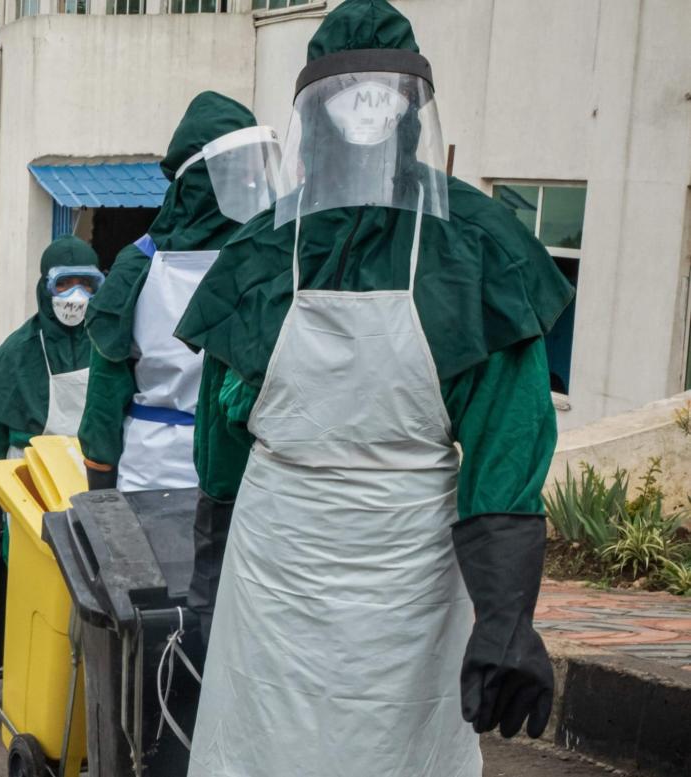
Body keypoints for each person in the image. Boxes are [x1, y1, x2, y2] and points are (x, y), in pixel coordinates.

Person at [176, 2, 574, 774]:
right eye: (346, 94)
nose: (365, 111)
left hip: (412, 574)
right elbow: (219, 446)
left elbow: (509, 436)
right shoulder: (263, 251)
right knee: (264, 747)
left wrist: (506, 614)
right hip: (275, 570)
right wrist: (209, 575)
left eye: (381, 94)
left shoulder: (472, 247)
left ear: (412, 106)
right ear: (314, 108)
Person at [77, 92, 278, 497]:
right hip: (155, 477)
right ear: (203, 177)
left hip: (251, 477)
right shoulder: (138, 267)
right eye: (237, 172)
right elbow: (105, 392)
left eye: (252, 173)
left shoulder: (265, 259)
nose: (249, 185)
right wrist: (101, 496)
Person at [0, 236, 103, 559]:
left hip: (94, 481)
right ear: (46, 287)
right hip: (31, 484)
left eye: (85, 284)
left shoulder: (109, 346)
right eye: (64, 284)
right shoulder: (15, 354)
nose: (76, 296)